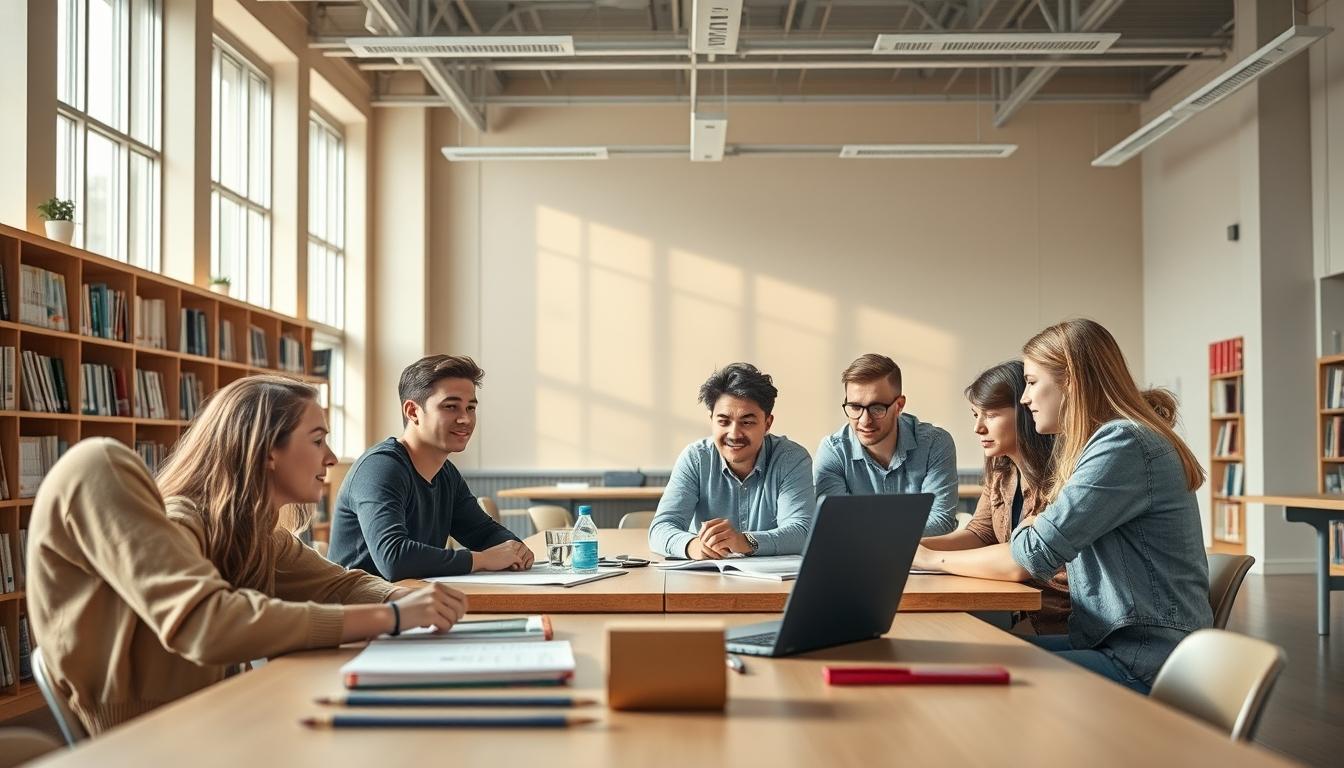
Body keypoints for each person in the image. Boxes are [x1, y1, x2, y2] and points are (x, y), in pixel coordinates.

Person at [26, 376, 466, 735]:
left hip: (215, 718)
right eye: (317, 440)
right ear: (268, 451)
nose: (331, 457)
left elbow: (340, 583)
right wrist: (392, 618)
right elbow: (210, 623)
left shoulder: (253, 533)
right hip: (152, 739)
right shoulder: (171, 516)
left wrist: (399, 600)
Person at [914, 319, 1212, 691]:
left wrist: (927, 558)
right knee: (961, 658)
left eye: (1033, 382)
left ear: (1070, 380)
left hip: (1143, 659)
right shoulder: (1110, 443)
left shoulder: (1122, 444)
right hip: (1107, 643)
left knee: (968, 675)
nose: (1024, 398)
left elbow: (1030, 554)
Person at [328, 355, 532, 580]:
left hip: (409, 603)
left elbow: (483, 532)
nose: (465, 419)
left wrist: (515, 550)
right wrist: (482, 560)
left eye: (471, 407)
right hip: (360, 610)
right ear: (413, 412)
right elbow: (394, 560)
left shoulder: (446, 473)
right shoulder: (380, 468)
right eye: (451, 406)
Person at [919, 361, 1070, 635]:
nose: (978, 427)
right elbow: (981, 533)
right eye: (975, 414)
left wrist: (926, 558)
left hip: (1058, 621)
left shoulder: (1063, 476)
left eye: (991, 415)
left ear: (1025, 412)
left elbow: (1023, 563)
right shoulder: (1002, 471)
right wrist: (910, 548)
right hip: (1023, 616)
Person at [649, 363, 815, 559]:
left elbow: (802, 532)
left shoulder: (791, 459)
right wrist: (693, 546)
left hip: (772, 585)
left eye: (747, 422)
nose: (734, 434)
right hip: (706, 579)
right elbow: (661, 528)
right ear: (711, 420)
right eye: (723, 421)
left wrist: (745, 541)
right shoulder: (696, 458)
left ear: (767, 423)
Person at [814, 353, 959, 534]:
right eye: (855, 407)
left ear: (899, 405)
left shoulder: (935, 444)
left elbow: (941, 522)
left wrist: (869, 531)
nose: (864, 420)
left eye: (877, 408)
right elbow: (836, 524)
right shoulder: (833, 451)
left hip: (921, 559)